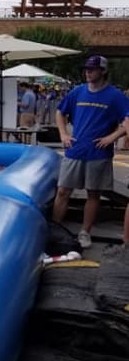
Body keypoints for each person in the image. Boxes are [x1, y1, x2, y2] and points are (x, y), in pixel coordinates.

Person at [53, 55, 129, 249]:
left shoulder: (115, 96)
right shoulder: (78, 91)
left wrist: (113, 137)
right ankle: (54, 229)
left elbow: (127, 119)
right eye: (86, 68)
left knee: (93, 194)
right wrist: (63, 134)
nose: (88, 72)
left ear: (103, 71)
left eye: (92, 69)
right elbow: (60, 112)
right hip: (75, 150)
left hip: (98, 153)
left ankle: (85, 232)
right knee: (62, 191)